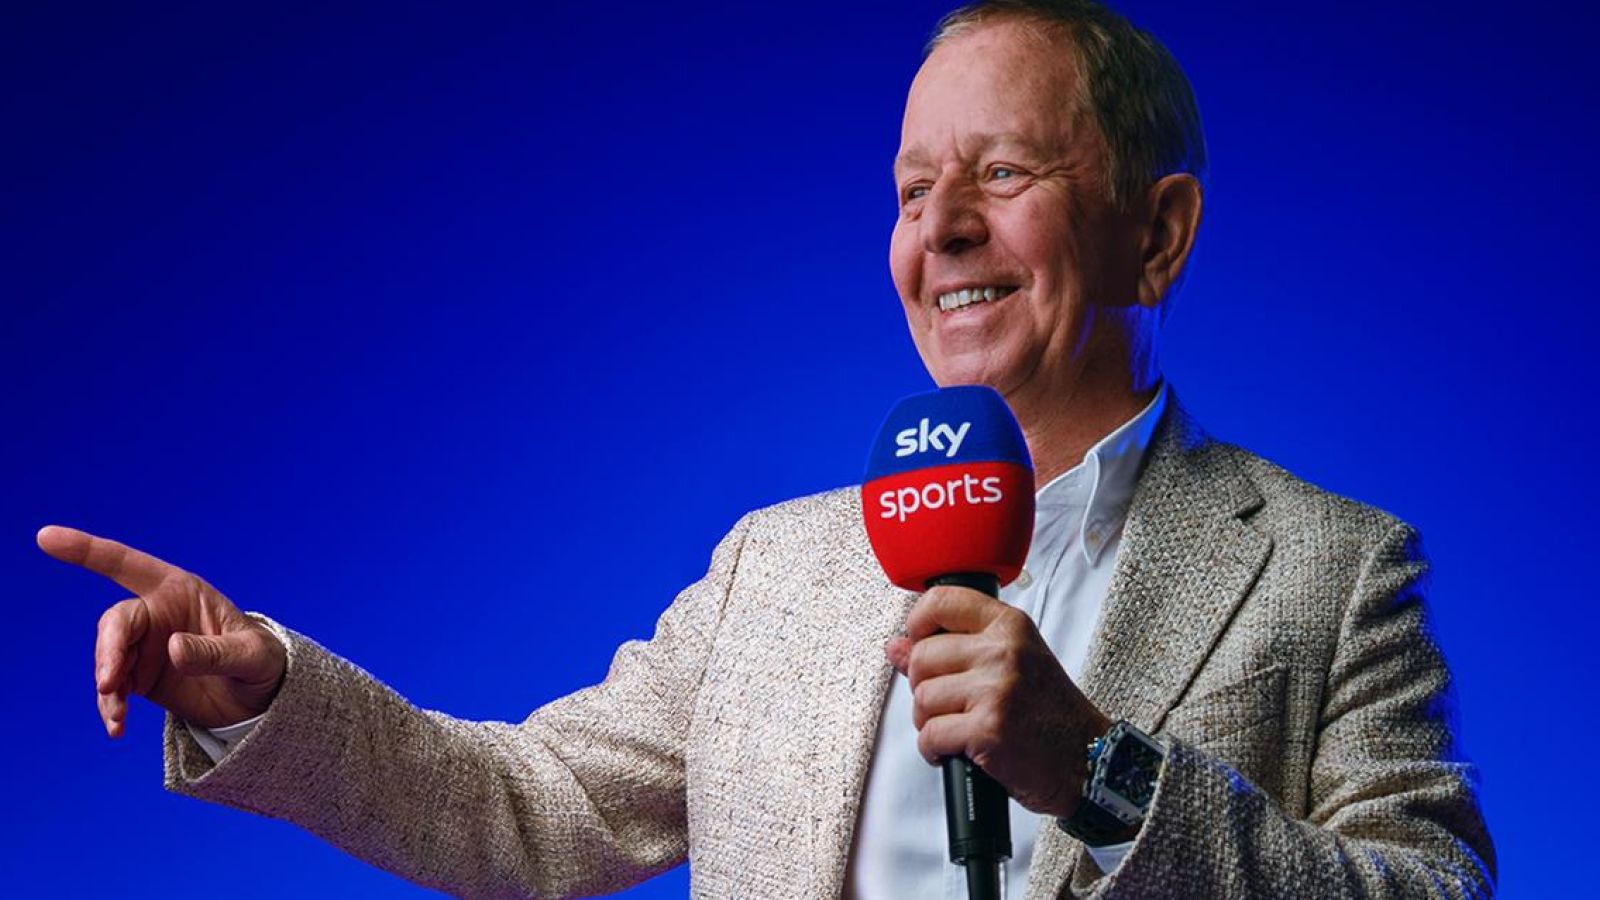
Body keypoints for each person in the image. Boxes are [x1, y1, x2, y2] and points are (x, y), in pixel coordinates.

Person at [38, 1, 1495, 897]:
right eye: (914, 188)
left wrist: (1101, 775)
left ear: (1159, 233)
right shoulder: (776, 568)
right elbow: (522, 812)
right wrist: (269, 693)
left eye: (1003, 174)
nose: (943, 231)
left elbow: (1426, 897)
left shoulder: (1332, 568)